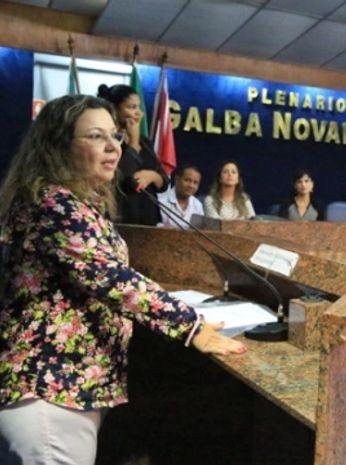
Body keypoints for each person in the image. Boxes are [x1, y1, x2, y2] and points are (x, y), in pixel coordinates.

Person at [0, 95, 246, 465]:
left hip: (69, 386)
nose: (113, 146)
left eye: (114, 135)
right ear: (57, 145)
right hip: (49, 390)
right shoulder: (55, 205)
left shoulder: (75, 202)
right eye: (95, 136)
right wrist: (190, 325)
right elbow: (112, 279)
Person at [97, 84, 168, 225]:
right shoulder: (108, 141)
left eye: (138, 107)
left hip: (148, 219)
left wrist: (152, 176)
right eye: (131, 107)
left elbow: (165, 182)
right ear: (114, 109)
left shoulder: (144, 142)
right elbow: (125, 179)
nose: (138, 113)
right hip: (121, 217)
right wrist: (133, 142)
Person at [157, 164, 204, 228]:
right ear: (177, 179)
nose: (191, 186)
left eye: (195, 183)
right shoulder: (160, 201)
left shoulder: (198, 205)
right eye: (187, 180)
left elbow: (199, 230)